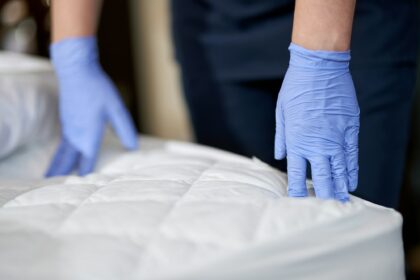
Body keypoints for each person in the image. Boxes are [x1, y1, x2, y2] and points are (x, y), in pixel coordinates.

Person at [46, 0, 418, 208]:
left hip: (352, 19)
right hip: (215, 24)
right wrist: (72, 50)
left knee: (353, 228)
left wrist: (321, 58)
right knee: (245, 219)